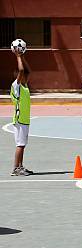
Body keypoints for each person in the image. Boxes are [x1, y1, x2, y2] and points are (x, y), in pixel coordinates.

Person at [10, 48, 33, 176]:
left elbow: (28, 71)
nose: (25, 76)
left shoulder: (24, 86)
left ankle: (20, 166)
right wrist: (18, 56)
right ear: (18, 77)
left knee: (22, 145)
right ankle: (15, 168)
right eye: (22, 75)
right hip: (20, 120)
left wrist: (23, 57)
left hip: (24, 120)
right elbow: (22, 70)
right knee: (20, 145)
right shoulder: (16, 86)